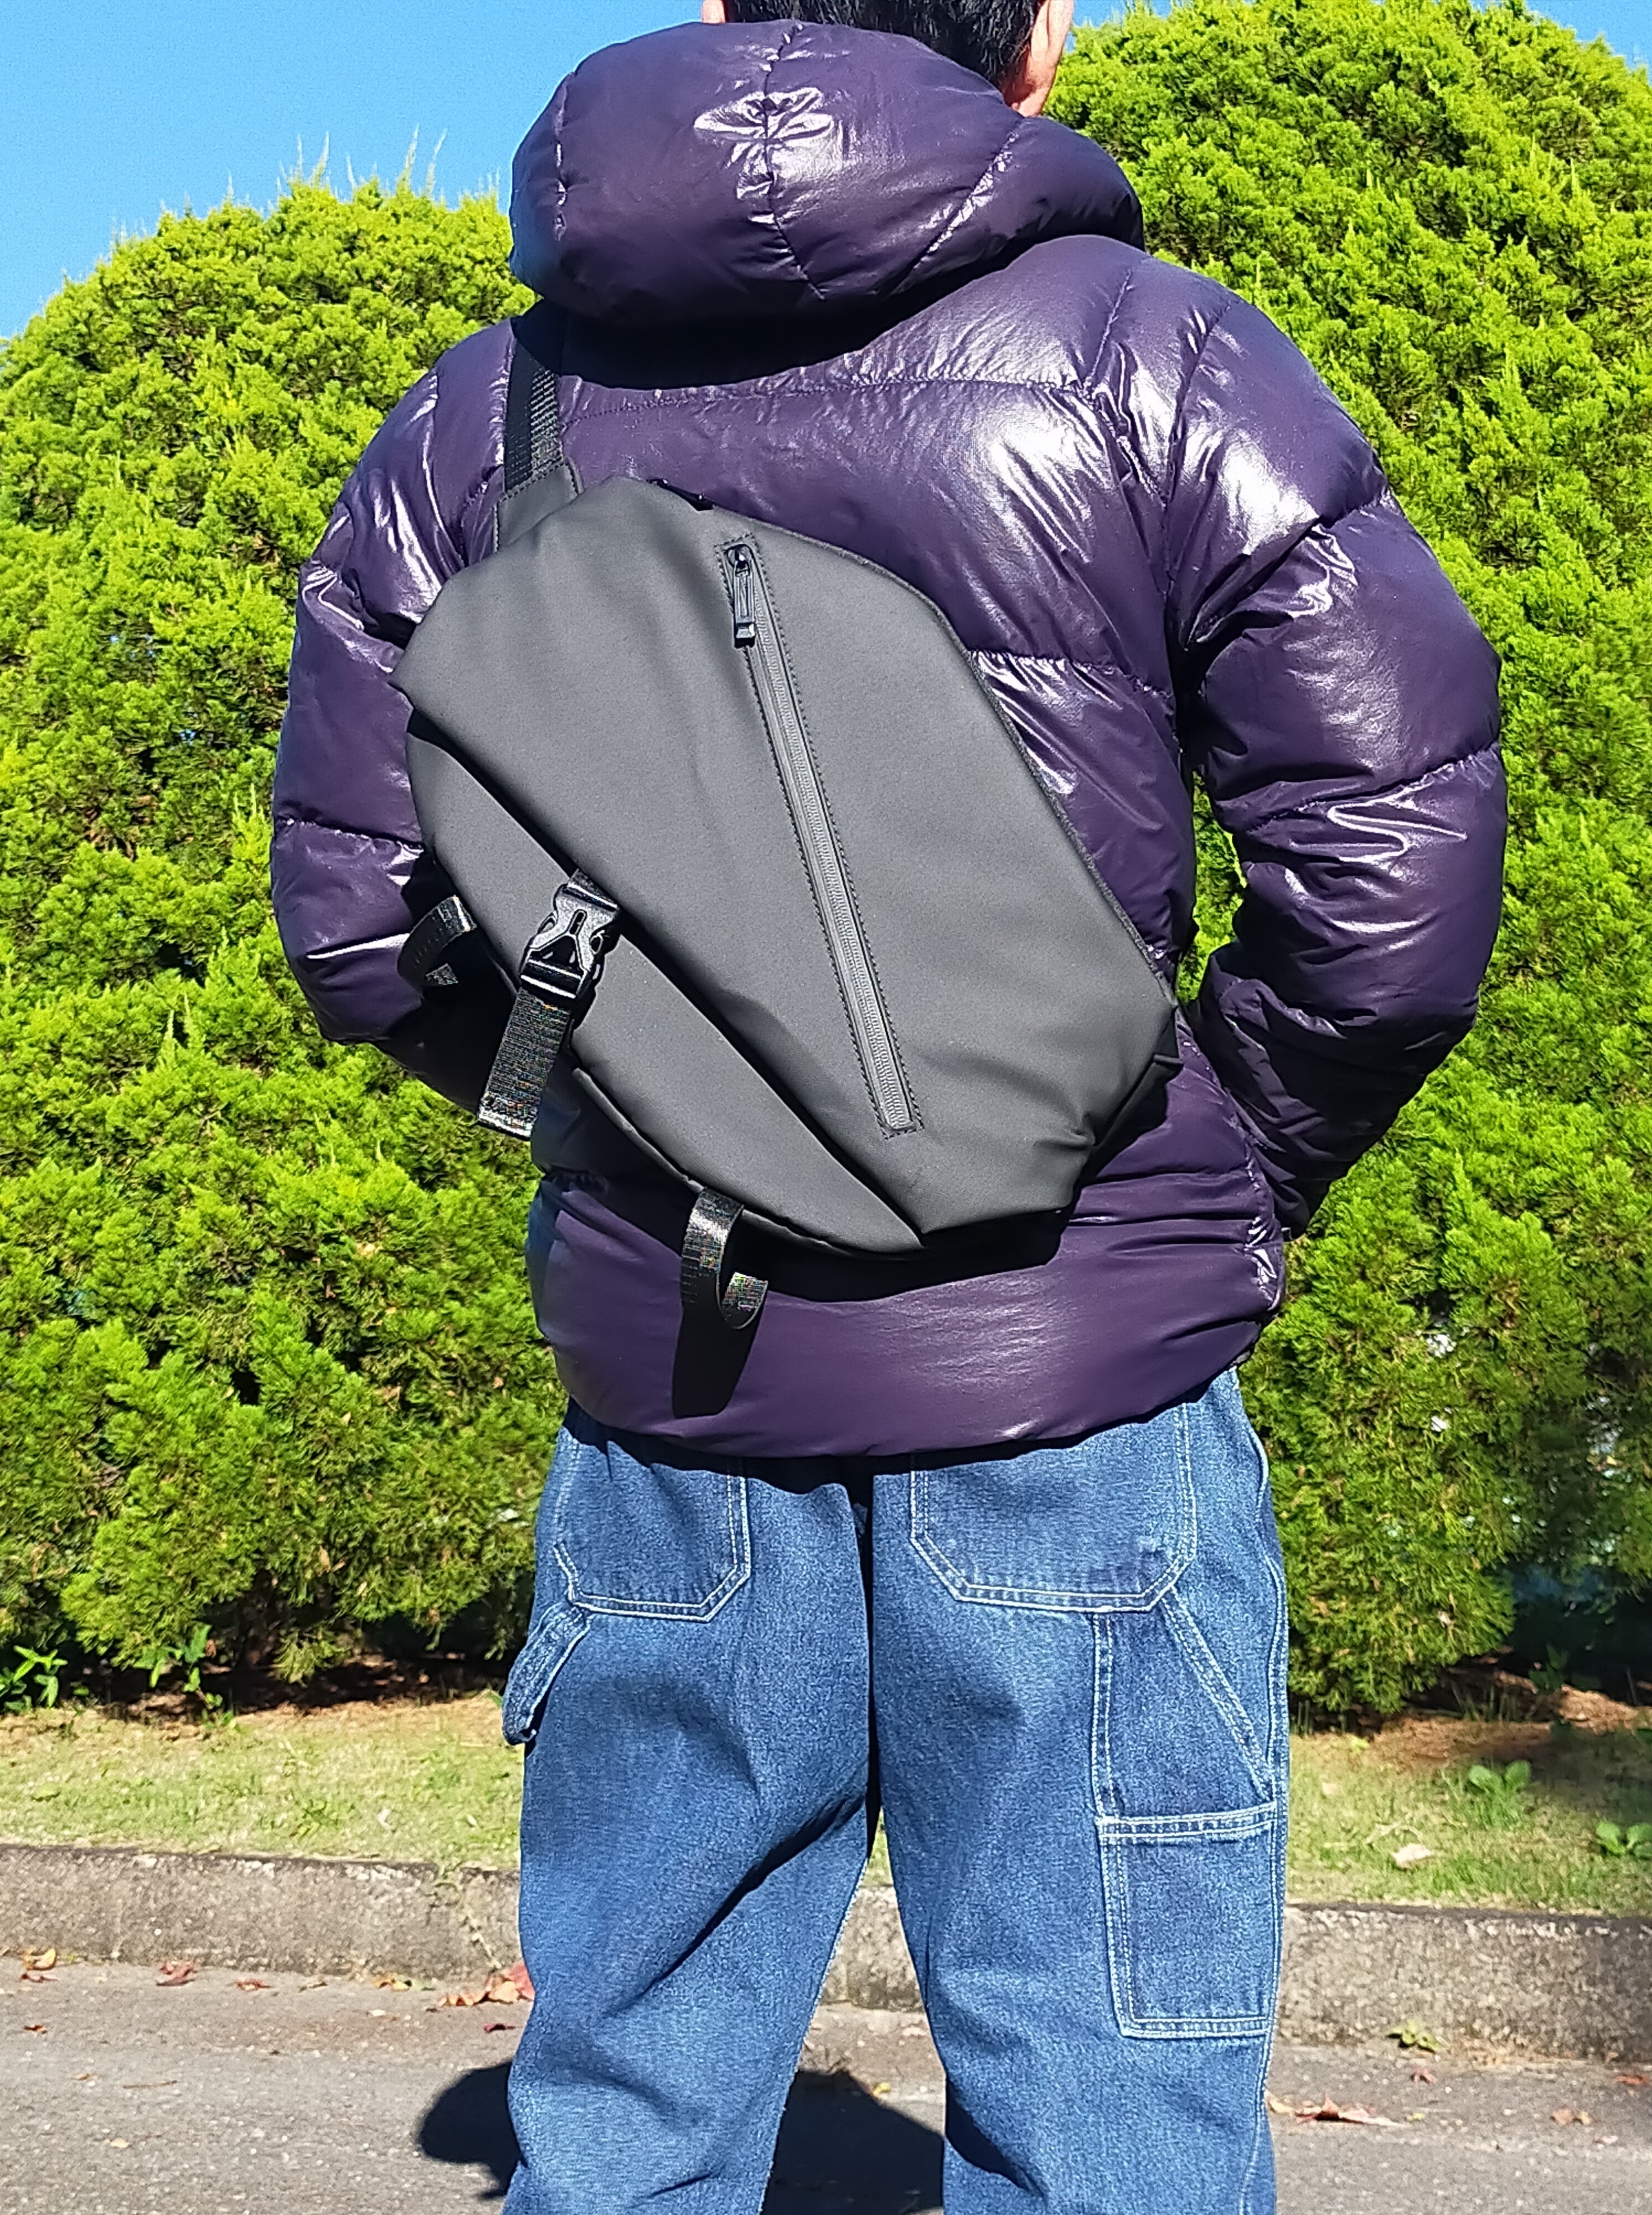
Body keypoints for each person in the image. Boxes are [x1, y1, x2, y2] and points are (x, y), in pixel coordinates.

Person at [271, 3, 1505, 2207]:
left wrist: (645, 1125)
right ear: (1038, 42)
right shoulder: (1162, 361)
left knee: (629, 2125)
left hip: (675, 1403)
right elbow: (1390, 872)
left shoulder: (491, 411)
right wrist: (1208, 1172)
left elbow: (363, 923)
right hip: (1081, 1392)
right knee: (1116, 2132)